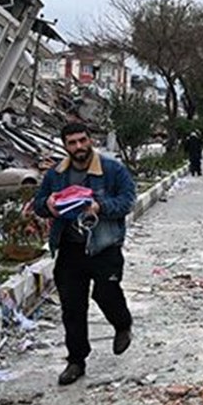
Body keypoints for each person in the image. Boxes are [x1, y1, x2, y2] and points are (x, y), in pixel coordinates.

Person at [33, 123, 136, 386]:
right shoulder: (57, 174)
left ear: (90, 140)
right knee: (72, 307)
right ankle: (76, 360)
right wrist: (48, 205)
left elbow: (127, 200)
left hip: (103, 246)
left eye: (82, 141)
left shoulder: (112, 169)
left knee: (106, 293)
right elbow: (39, 203)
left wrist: (100, 207)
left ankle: (122, 324)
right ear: (65, 146)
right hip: (69, 248)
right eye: (72, 143)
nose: (78, 147)